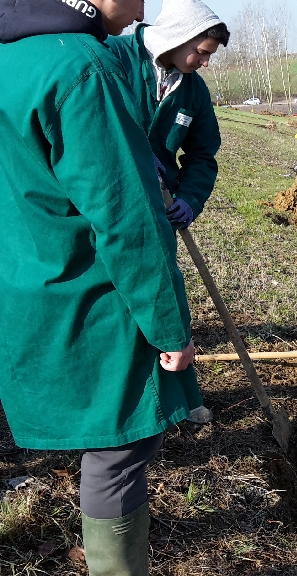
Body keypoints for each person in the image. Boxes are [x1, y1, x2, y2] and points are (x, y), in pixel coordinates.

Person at [0, 1, 202, 574]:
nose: (144, 5)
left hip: (23, 282)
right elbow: (127, 219)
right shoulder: (82, 68)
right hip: (88, 297)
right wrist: (170, 327)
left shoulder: (11, 57)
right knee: (120, 448)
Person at [107, 0, 228, 425]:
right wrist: (138, 153)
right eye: (203, 51)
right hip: (110, 205)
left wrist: (189, 199)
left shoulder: (193, 90)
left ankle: (182, 398)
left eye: (210, 55)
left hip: (160, 211)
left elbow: (203, 155)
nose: (205, 62)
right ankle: (129, 405)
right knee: (119, 302)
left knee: (167, 296)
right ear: (179, 35)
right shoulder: (113, 57)